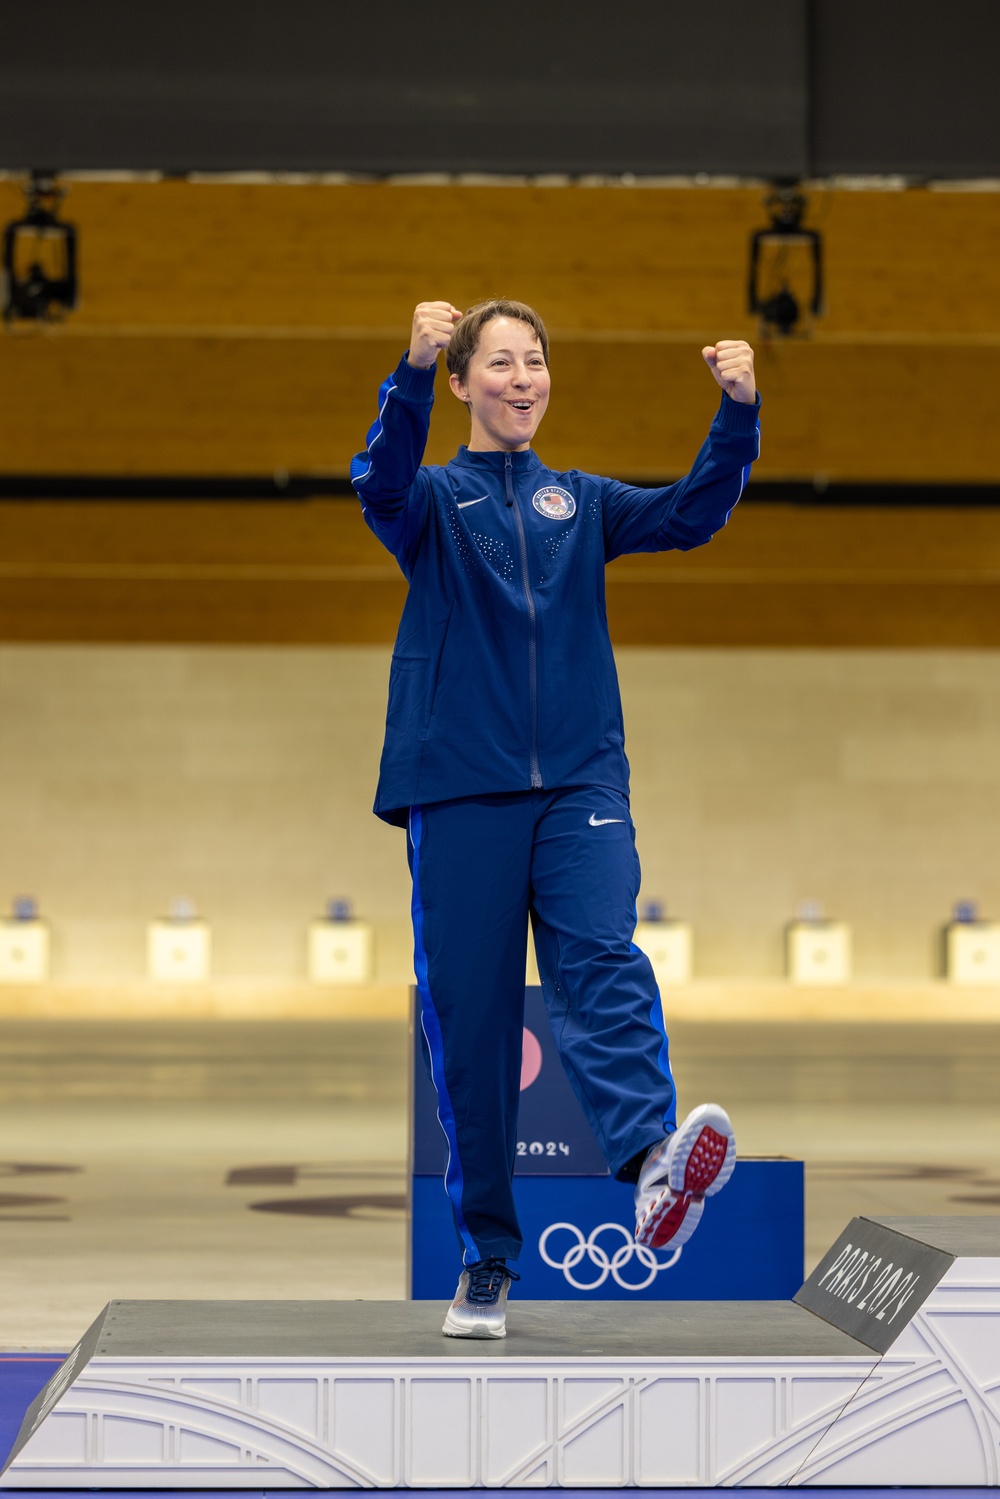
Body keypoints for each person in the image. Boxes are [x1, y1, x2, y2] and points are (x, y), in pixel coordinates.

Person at [351, 298, 760, 1339]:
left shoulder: (580, 503)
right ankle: (486, 1259)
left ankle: (653, 1163)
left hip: (580, 781)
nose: (521, 377)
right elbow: (379, 483)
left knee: (600, 958)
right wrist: (405, 367)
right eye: (497, 362)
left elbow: (692, 512)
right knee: (473, 1027)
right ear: (462, 383)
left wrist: (738, 413)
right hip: (459, 787)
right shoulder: (433, 503)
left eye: (535, 361)